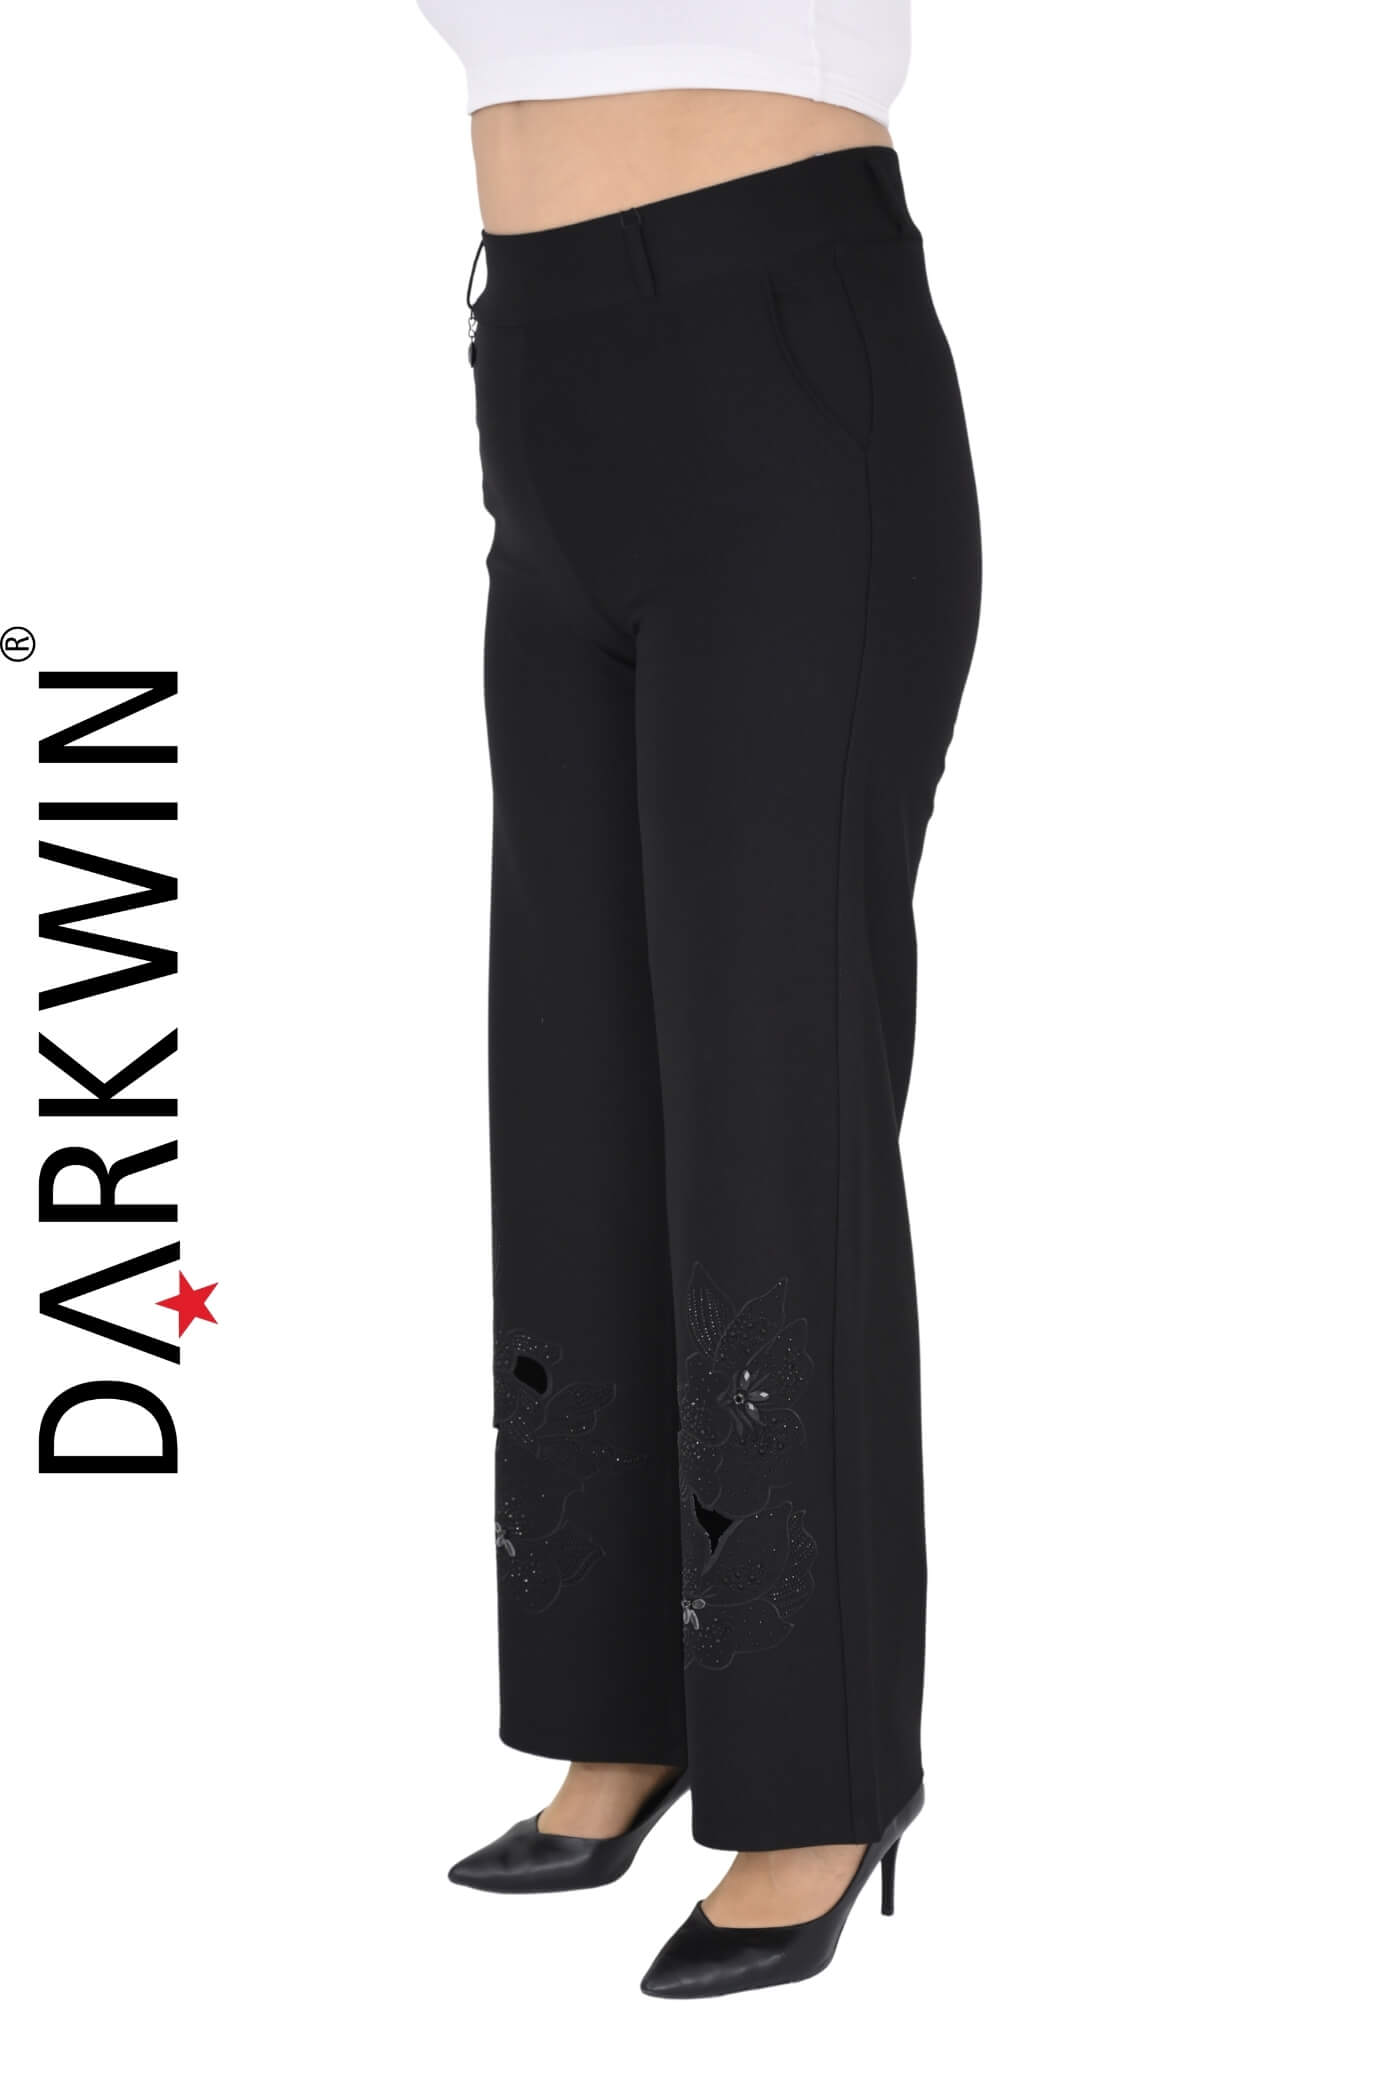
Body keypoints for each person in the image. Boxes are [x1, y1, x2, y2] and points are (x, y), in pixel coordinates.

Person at [419, 0, 981, 1997]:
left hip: (780, 378)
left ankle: (817, 1778)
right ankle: (626, 1710)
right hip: (542, 386)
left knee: (767, 1099)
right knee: (572, 1087)